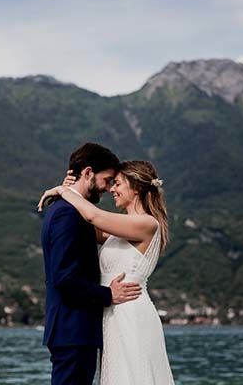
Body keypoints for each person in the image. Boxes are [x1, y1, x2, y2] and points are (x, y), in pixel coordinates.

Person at [39, 159, 176, 385]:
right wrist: (72, 192)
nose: (112, 189)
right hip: (112, 315)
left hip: (131, 313)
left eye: (118, 184)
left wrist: (63, 191)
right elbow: (82, 224)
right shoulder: (119, 229)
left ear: (137, 188)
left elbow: (93, 216)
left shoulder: (147, 224)